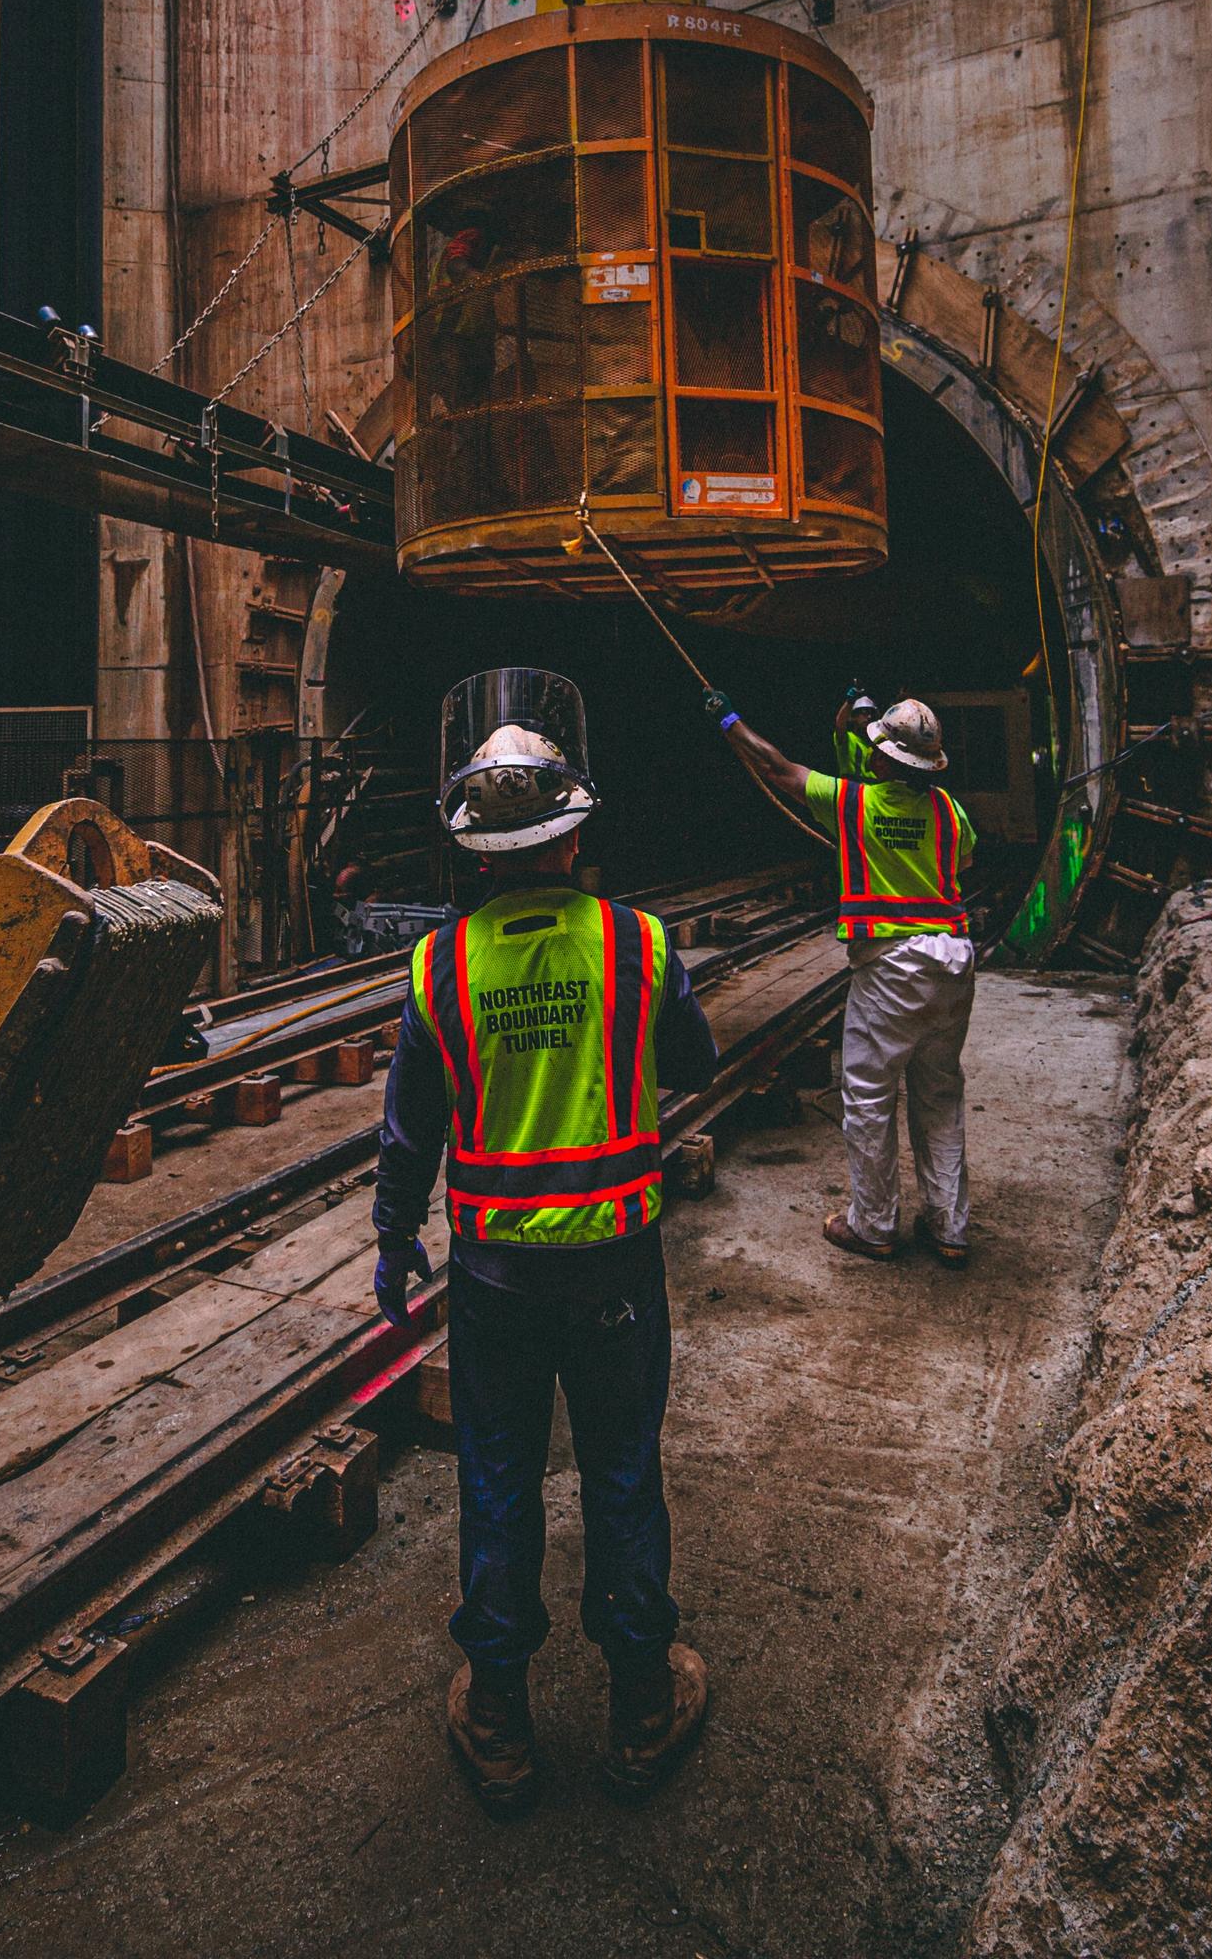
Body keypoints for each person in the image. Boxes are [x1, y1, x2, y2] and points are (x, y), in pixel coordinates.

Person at [372, 669, 720, 1816]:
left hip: (491, 1276)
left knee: (498, 1478)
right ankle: (636, 1707)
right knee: (622, 1471)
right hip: (616, 1266)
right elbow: (694, 1064)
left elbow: (409, 1129)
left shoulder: (437, 969)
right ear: (574, 835)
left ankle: (503, 1721)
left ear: (476, 853)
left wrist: (390, 1239)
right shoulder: (637, 944)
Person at [709, 690, 980, 1268]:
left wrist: (729, 719)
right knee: (939, 1095)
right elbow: (963, 863)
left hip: (891, 967)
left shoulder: (854, 804)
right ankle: (949, 1228)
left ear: (883, 759)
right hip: (954, 963)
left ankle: (875, 1225)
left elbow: (774, 766)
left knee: (870, 1097)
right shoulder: (952, 814)